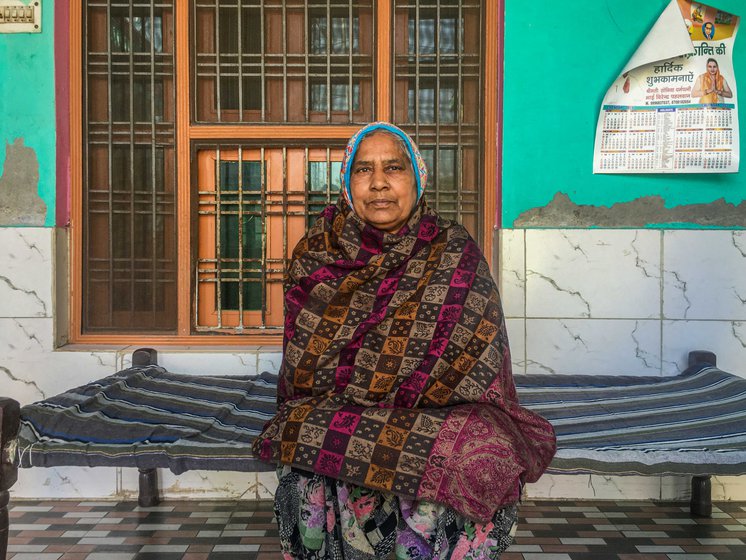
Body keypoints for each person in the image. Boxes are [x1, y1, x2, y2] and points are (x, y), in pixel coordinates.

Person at [253, 122, 556, 559]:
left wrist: (403, 395)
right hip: (340, 408)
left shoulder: (452, 249)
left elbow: (479, 363)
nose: (378, 183)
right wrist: (370, 395)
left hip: (436, 411)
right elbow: (308, 368)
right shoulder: (318, 256)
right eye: (363, 170)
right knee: (306, 434)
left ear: (418, 178)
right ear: (346, 182)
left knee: (486, 453)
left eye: (393, 167)